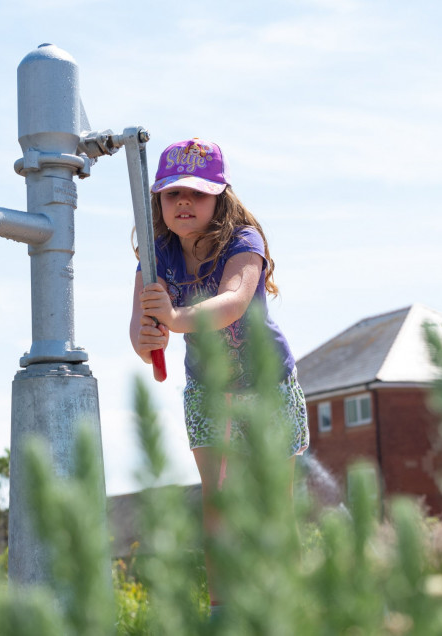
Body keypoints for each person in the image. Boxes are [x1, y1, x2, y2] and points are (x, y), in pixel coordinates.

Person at [129, 138, 308, 614]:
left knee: (273, 502)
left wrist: (175, 318)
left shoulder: (244, 243)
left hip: (268, 383)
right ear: (158, 201)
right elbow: (143, 341)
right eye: (172, 194)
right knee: (218, 501)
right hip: (208, 390)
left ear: (220, 196)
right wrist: (150, 337)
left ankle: (288, 605)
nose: (184, 202)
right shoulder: (156, 255)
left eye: (197, 193)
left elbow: (232, 303)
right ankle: (223, 609)